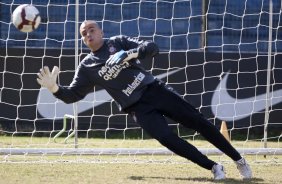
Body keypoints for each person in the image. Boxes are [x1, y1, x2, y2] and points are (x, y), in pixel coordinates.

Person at [36, 20, 252, 180]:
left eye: (92, 30)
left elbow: (152, 47)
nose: (88, 34)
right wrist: (54, 88)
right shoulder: (87, 66)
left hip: (154, 90)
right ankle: (214, 167)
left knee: (198, 122)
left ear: (101, 31)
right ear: (83, 40)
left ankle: (239, 160)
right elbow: (73, 95)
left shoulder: (117, 42)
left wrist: (128, 54)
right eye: (84, 34)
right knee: (167, 138)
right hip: (136, 107)